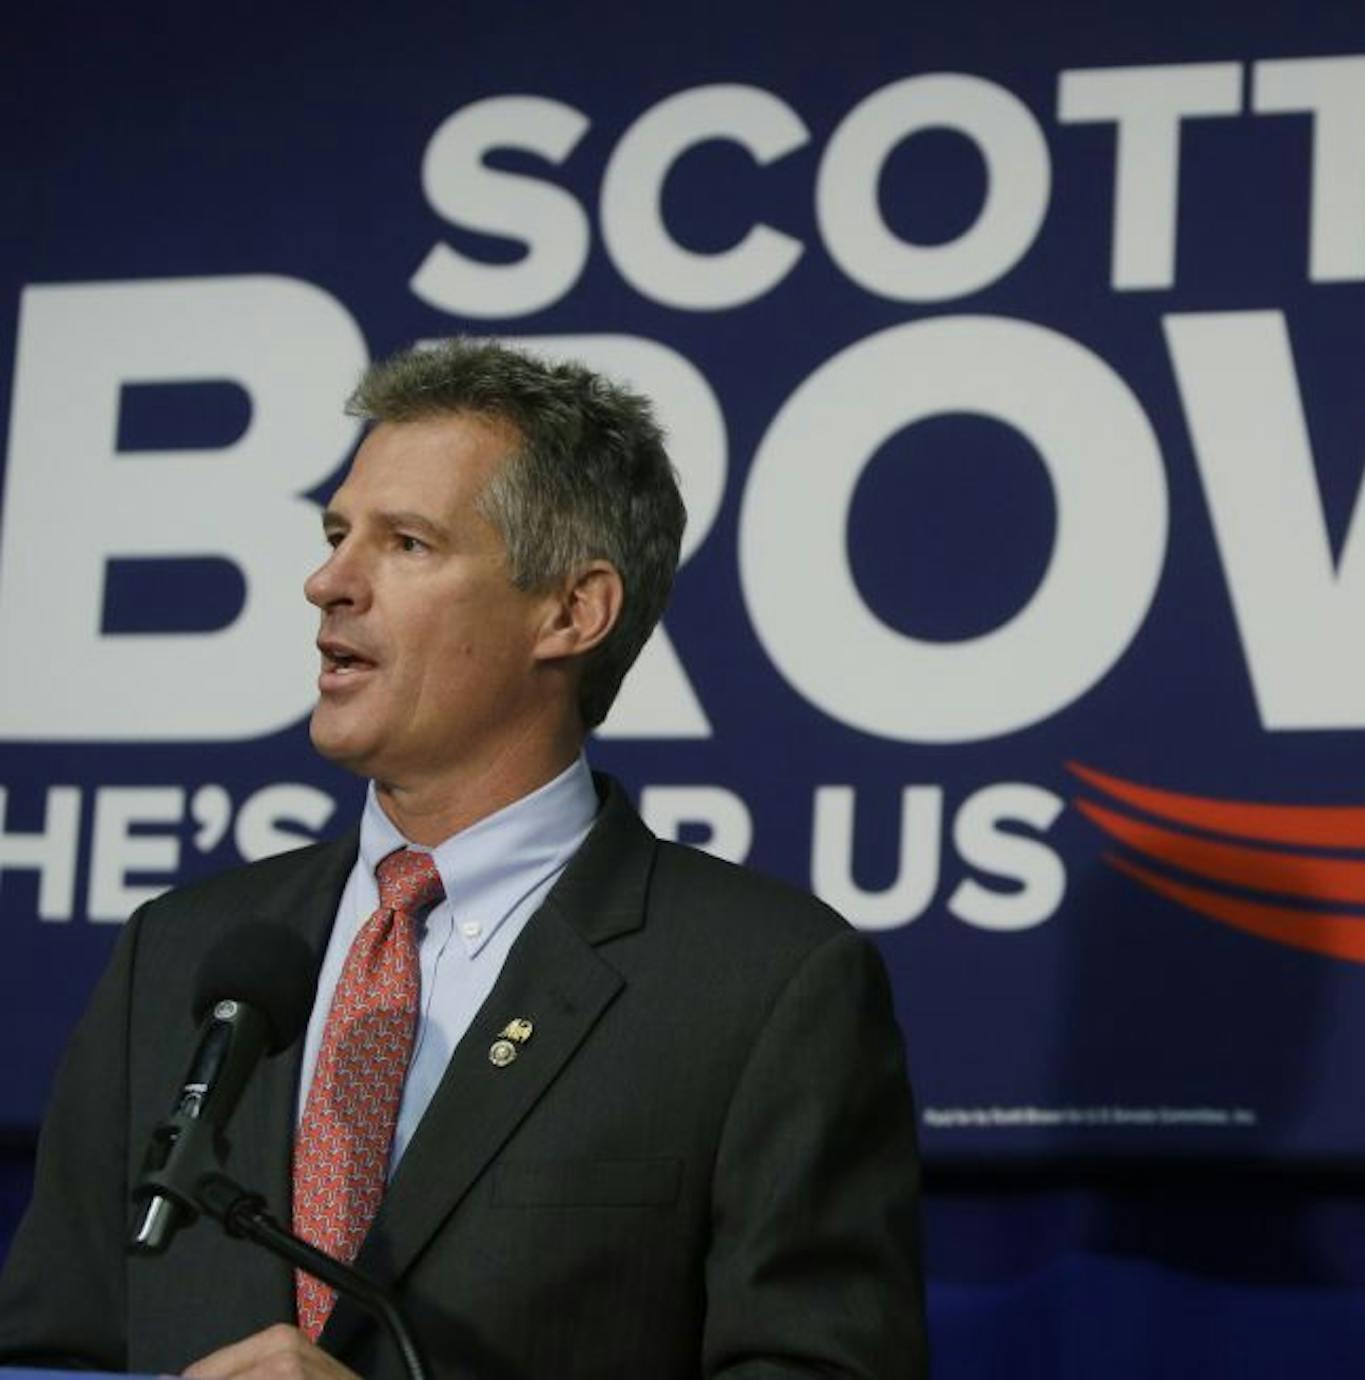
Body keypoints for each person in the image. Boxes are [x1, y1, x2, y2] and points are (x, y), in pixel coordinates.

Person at [0, 341, 928, 1378]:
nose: (326, 582)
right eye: (336, 534)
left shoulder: (763, 986)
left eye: (406, 543)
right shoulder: (178, 954)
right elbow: (51, 1350)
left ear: (571, 611)